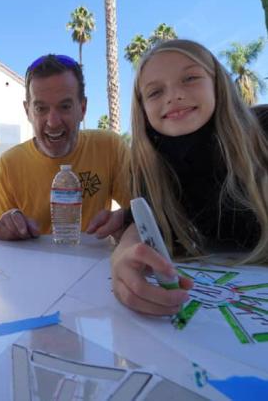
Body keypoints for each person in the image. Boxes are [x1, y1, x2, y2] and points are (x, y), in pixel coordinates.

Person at [112, 39, 268, 316]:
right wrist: (123, 254)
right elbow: (147, 220)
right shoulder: (150, 164)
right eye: (155, 92)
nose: (173, 96)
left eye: (190, 78)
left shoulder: (263, 131)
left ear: (217, 83)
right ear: (143, 111)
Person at [0, 54, 130, 241]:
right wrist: (6, 226)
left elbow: (142, 208)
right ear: (28, 111)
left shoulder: (110, 147)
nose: (53, 122)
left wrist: (125, 220)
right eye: (41, 108)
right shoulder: (9, 164)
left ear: (82, 108)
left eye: (65, 106)